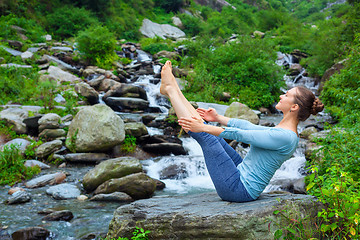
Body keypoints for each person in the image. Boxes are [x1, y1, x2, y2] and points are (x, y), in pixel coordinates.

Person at [160, 60, 324, 202]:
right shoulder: (285, 132)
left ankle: (171, 91)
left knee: (206, 136)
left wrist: (203, 127)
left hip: (239, 190)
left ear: (294, 107)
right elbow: (248, 127)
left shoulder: (285, 137)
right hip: (240, 174)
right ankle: (172, 88)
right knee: (211, 135)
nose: (281, 96)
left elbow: (243, 135)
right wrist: (218, 118)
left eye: (286, 95)